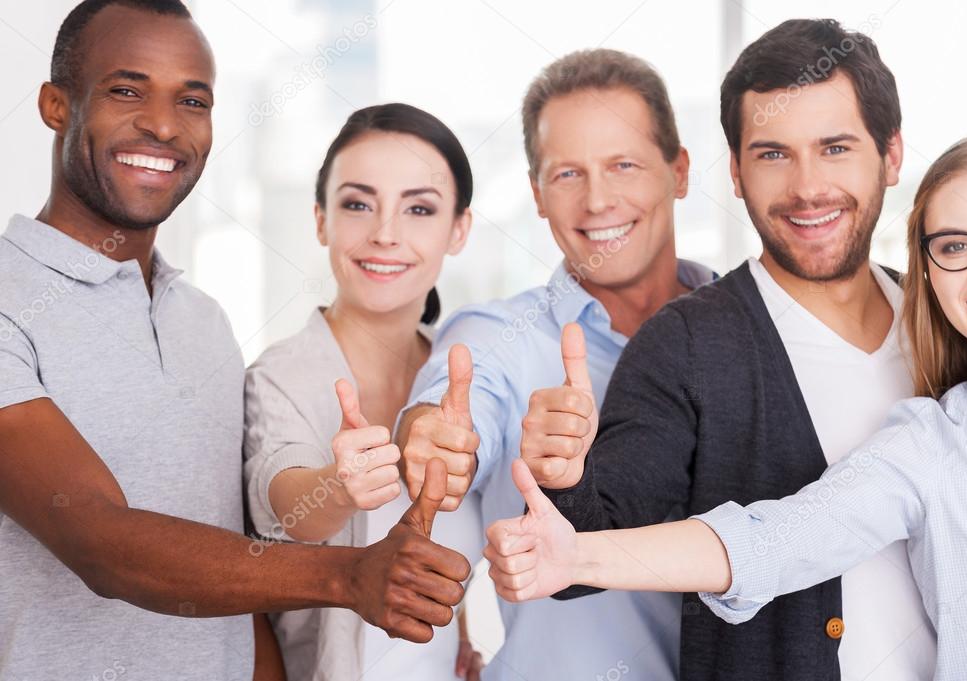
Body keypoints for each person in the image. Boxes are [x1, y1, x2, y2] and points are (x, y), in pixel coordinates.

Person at [0, 3, 468, 679]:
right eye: (126, 90)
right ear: (55, 105)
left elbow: (236, 571)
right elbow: (99, 540)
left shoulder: (205, 321)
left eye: (192, 100)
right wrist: (350, 576)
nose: (163, 124)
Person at [486, 131, 967, 681]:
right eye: (956, 246)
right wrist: (575, 555)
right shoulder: (930, 444)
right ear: (930, 272)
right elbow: (777, 540)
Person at [506, 19, 938, 681]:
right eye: (771, 154)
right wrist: (564, 478)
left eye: (834, 147)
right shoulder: (685, 343)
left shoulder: (950, 326)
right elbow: (594, 538)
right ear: (734, 172)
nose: (806, 186)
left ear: (890, 154)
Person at [395, 49, 716, 679]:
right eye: (568, 174)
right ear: (538, 194)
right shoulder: (497, 337)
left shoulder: (747, 333)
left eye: (623, 165)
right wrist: (432, 437)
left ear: (678, 171)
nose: (598, 201)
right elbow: (453, 411)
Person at [243, 103, 484, 681]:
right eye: (357, 204)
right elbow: (281, 501)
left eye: (418, 209)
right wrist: (338, 486)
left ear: (458, 230)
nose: (384, 234)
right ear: (321, 219)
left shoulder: (463, 377)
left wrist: (463, 636)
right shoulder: (280, 375)